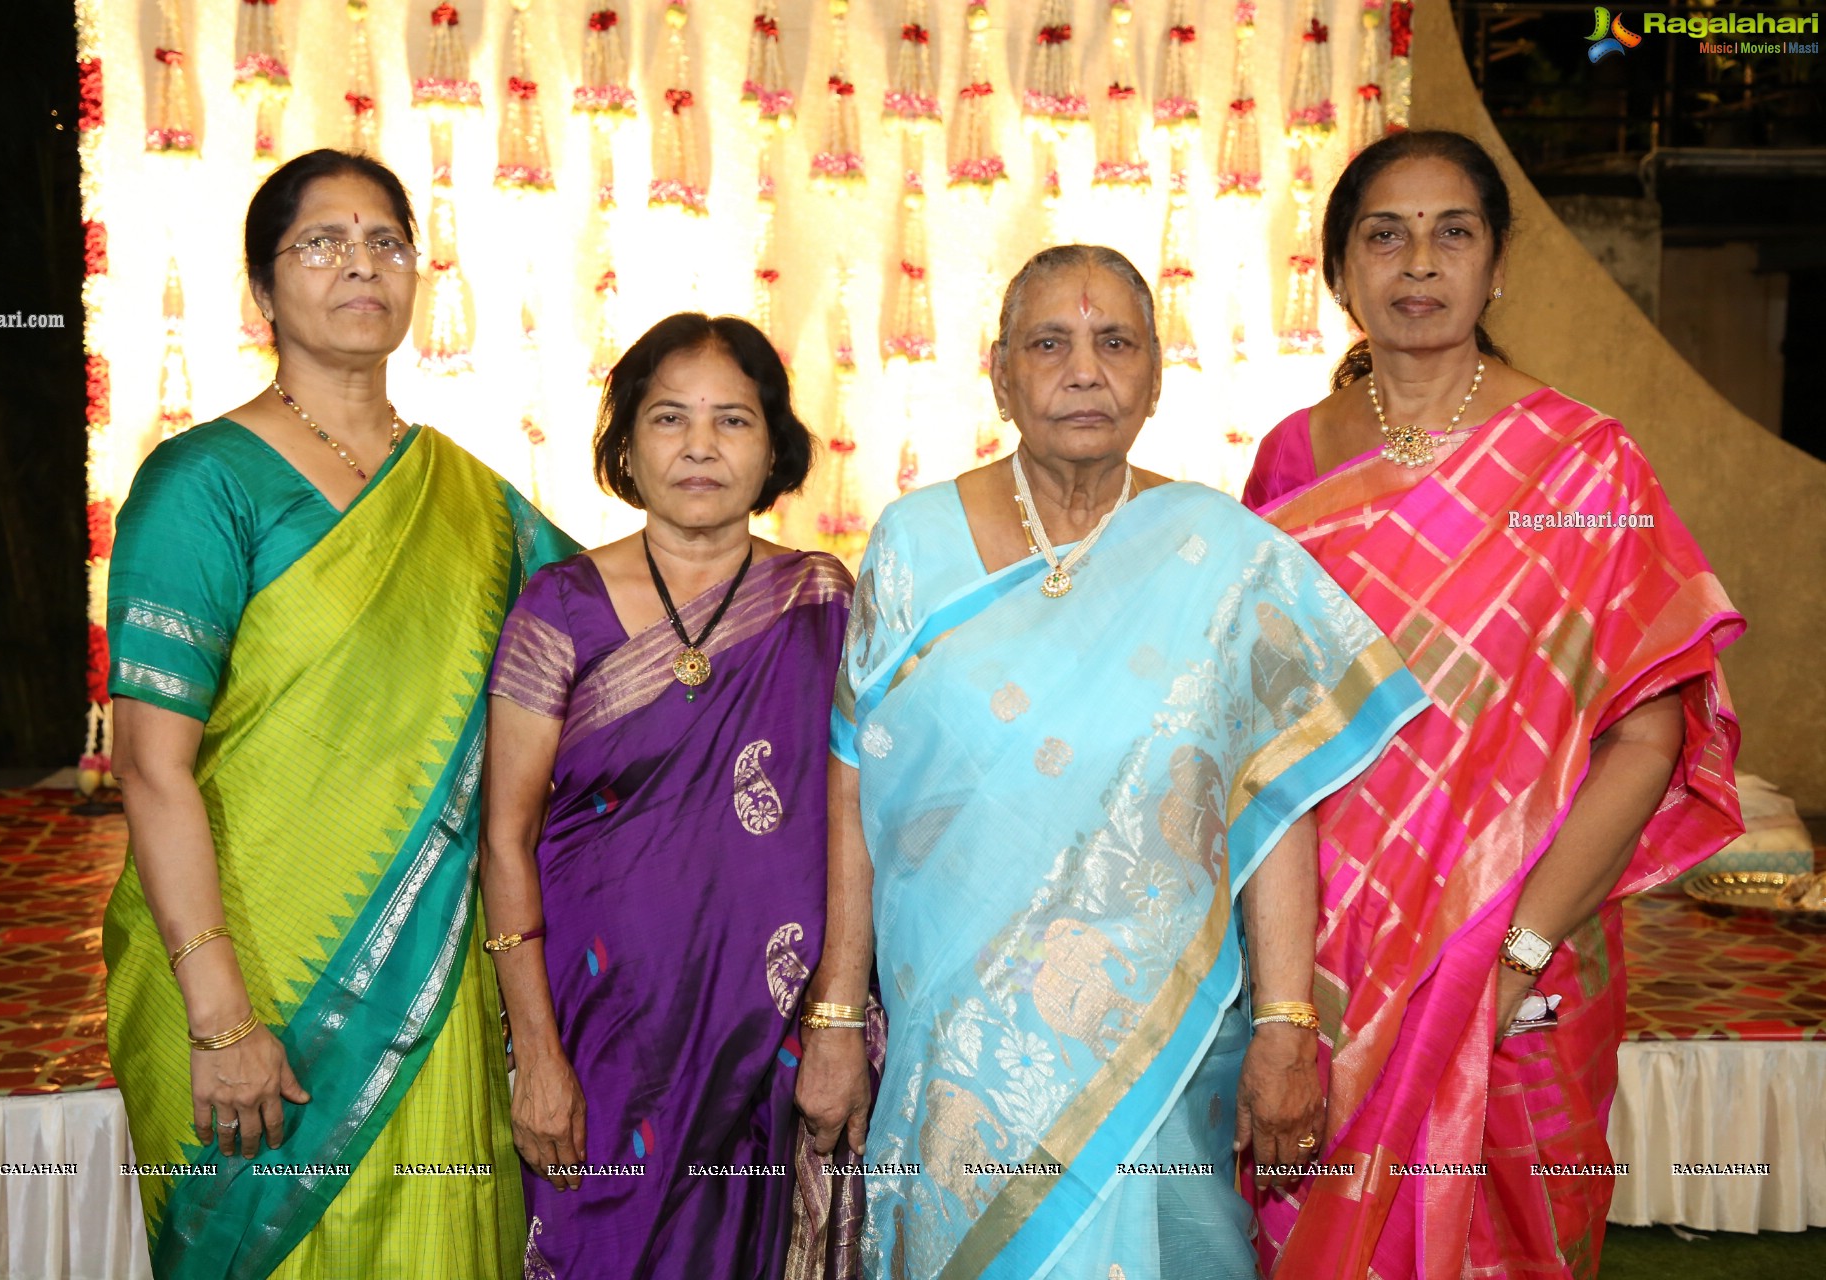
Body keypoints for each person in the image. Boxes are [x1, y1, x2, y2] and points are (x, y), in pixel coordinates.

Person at [793, 245, 1430, 1278]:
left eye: (1115, 342)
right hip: (956, 1055)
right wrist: (832, 1015)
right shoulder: (912, 546)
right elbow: (852, 780)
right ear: (1000, 374)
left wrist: (1284, 1023)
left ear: (1156, 374)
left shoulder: (1222, 555)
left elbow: (1276, 800)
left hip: (1161, 1051)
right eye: (1050, 344)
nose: (1083, 370)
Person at [1242, 130, 1745, 1279]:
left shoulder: (1584, 464)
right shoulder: (1290, 463)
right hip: (1324, 947)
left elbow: (1648, 730)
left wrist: (1512, 952)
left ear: (1496, 263)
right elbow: (1261, 729)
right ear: (1338, 272)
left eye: (1451, 231)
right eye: (1385, 234)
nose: (1419, 261)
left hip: (1532, 941)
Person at [102, 148, 577, 1279]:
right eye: (323, 242)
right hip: (243, 974)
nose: (361, 263)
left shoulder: (470, 497)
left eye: (387, 241)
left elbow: (599, 650)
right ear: (262, 291)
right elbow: (149, 767)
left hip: (428, 973)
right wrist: (221, 1015)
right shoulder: (201, 482)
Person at [479, 313, 856, 1278]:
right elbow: (505, 839)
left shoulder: (822, 599)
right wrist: (536, 1053)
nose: (699, 447)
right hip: (599, 1032)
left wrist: (837, 1020)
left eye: (733, 421)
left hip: (772, 1032)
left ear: (775, 446)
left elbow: (861, 821)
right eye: (668, 419)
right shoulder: (557, 608)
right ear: (625, 445)